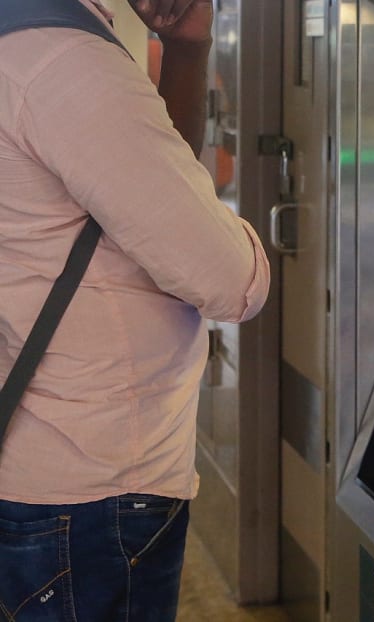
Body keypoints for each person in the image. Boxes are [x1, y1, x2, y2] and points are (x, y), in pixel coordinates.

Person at [0, 1, 270, 620]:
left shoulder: (28, 39)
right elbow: (231, 284)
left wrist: (187, 50)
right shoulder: (64, 62)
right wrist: (253, 239)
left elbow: (139, 188)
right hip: (93, 492)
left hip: (50, 466)